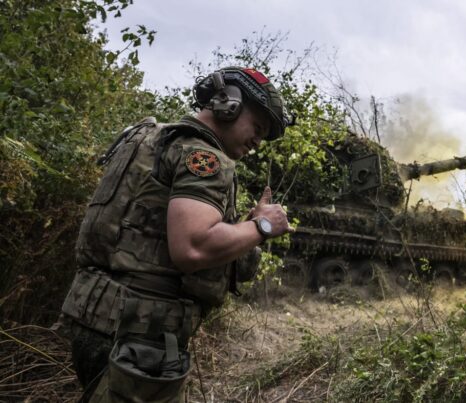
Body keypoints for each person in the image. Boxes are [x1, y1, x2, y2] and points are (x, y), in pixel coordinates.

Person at [56, 66, 295, 402]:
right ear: (230, 104)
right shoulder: (204, 158)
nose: (258, 141)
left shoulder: (148, 138)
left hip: (95, 316)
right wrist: (262, 226)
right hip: (140, 334)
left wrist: (242, 226)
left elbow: (145, 229)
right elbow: (193, 249)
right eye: (257, 127)